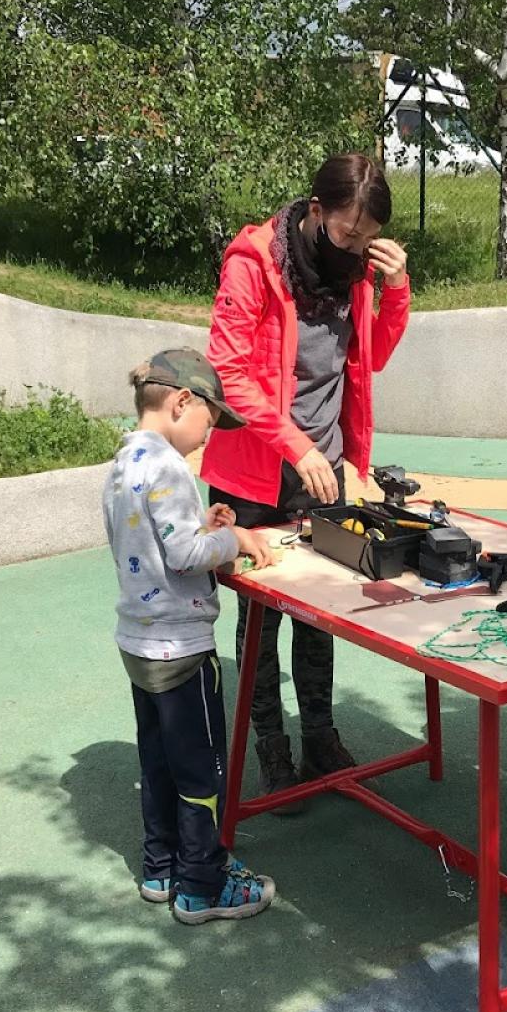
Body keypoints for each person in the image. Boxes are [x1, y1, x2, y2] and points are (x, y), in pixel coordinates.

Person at [203, 152, 411, 807]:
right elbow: (227, 372)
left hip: (320, 470)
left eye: (368, 238)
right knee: (261, 618)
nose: (355, 246)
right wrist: (296, 447)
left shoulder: (356, 270)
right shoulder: (253, 263)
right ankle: (271, 746)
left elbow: (370, 357)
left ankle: (320, 734)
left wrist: (396, 288)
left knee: (321, 609)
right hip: (254, 474)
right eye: (347, 232)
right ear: (317, 211)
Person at [105, 347, 279, 923]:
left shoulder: (124, 461)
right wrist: (236, 541)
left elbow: (154, 541)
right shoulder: (170, 467)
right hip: (180, 648)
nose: (208, 436)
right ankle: (202, 885)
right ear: (182, 401)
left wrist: (206, 528)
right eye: (209, 420)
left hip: (138, 643)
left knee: (158, 763)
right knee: (202, 772)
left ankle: (161, 869)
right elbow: (184, 556)